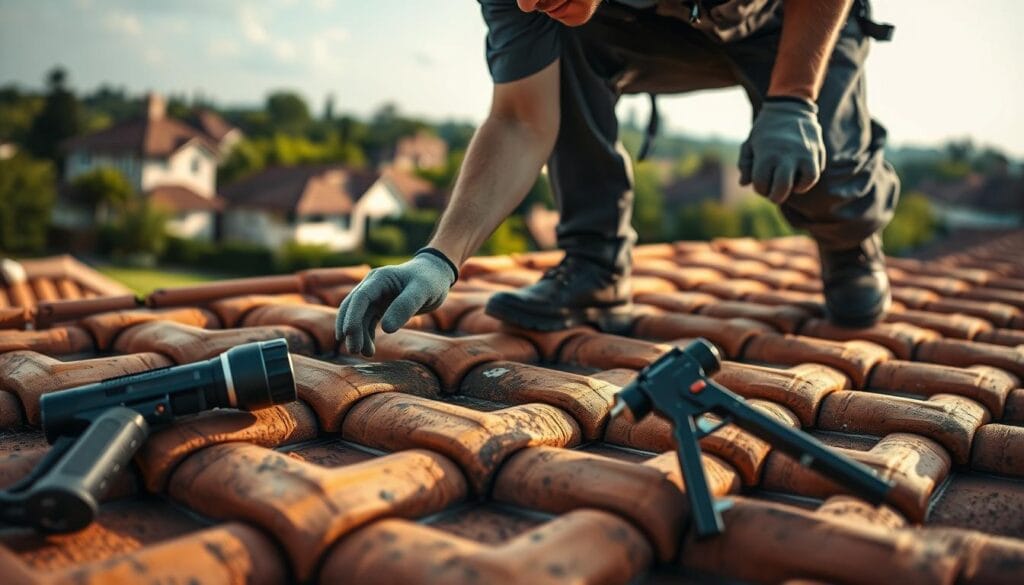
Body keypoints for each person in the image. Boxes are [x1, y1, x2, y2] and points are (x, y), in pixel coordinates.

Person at [335, 0, 898, 357]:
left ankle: (851, 244)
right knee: (564, 32)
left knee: (829, 181)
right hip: (655, 28)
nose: (529, 1)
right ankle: (595, 265)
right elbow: (519, 120)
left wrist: (794, 99)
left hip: (789, 20)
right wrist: (440, 256)